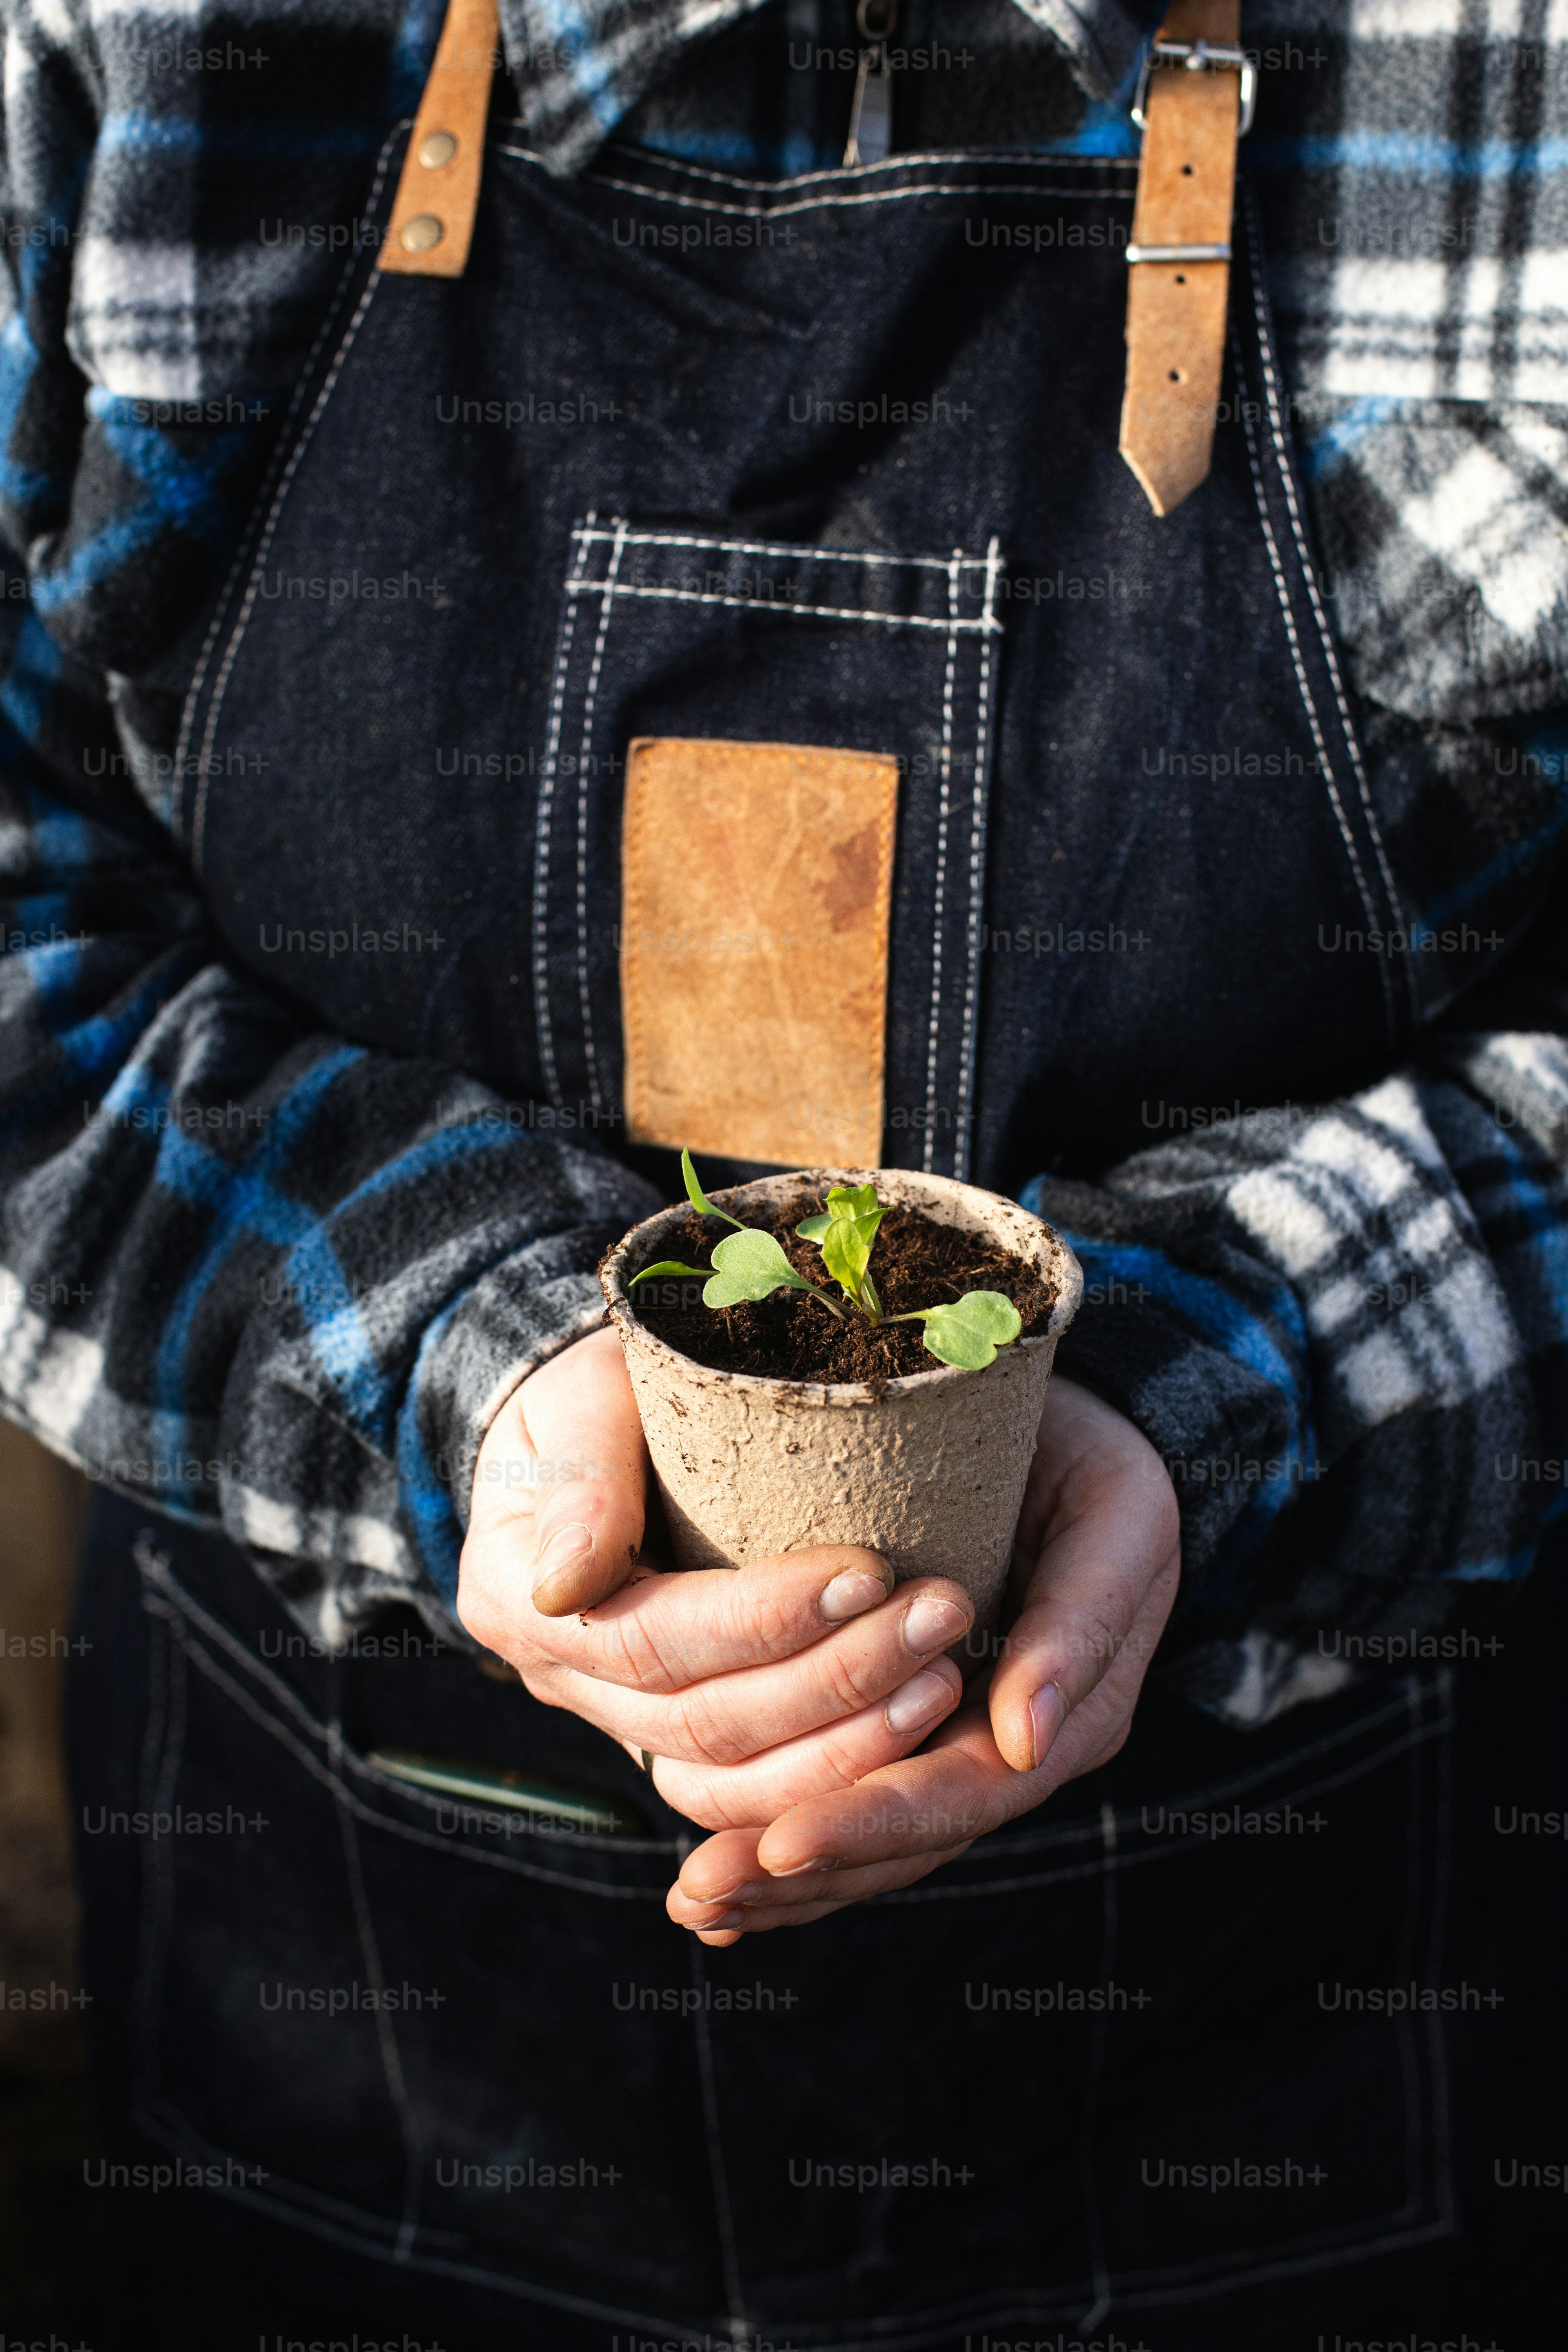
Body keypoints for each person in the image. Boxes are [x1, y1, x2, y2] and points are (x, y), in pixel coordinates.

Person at [1, 0, 1564, 2343]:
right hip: (354, 2040)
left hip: (1310, 2037)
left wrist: (1208, 1374)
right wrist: (465, 1349)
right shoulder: (132, 45)